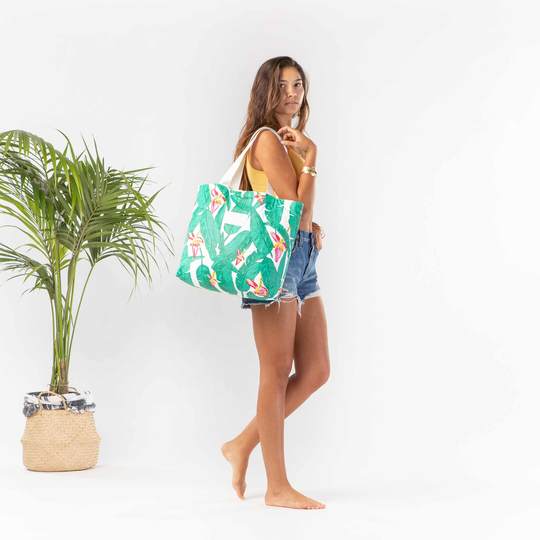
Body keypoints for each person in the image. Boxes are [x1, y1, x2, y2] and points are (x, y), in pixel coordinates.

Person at [221, 56, 330, 510]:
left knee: (317, 370)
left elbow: (300, 214)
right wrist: (312, 158)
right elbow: (295, 209)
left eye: (298, 84)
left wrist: (311, 225)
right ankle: (277, 487)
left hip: (301, 260)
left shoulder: (289, 142)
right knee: (275, 371)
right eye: (282, 85)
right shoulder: (267, 139)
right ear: (266, 91)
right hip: (273, 263)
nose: (292, 93)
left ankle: (242, 444)